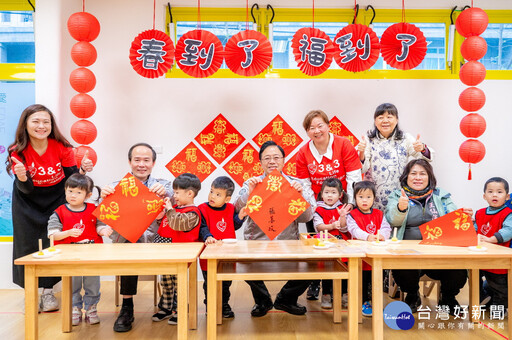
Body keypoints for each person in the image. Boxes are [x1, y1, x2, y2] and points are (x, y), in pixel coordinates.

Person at [6, 104, 93, 312]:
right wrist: (22, 176)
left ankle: (48, 292)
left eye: (46, 122)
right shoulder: (17, 151)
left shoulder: (62, 147)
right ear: (25, 124)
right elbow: (26, 189)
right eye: (35, 121)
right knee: (26, 245)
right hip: (27, 200)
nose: (41, 126)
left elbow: (71, 179)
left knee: (52, 242)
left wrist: (82, 170)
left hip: (55, 199)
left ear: (51, 125)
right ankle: (30, 293)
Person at [234, 140, 316, 317]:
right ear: (261, 162)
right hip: (256, 241)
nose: (272, 161)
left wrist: (300, 197)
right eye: (267, 158)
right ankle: (262, 301)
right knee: (244, 265)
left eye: (276, 157)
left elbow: (307, 217)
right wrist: (251, 192)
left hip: (288, 241)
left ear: (284, 160)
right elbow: (237, 207)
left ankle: (286, 299)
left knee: (314, 267)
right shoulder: (252, 182)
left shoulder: (296, 183)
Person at [100, 143, 172, 332]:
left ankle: (172, 302)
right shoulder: (116, 187)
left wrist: (167, 196)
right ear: (130, 162)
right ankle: (127, 307)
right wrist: (103, 196)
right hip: (127, 243)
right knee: (130, 245)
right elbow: (103, 214)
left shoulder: (162, 185)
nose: (142, 164)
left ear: (153, 163)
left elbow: (178, 201)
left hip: (156, 243)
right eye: (137, 160)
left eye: (146, 160)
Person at [385, 159, 472, 314]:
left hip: (439, 254)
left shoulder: (441, 195)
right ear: (406, 177)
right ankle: (412, 295)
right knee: (402, 267)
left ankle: (448, 298)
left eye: (422, 174)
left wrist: (463, 216)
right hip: (408, 254)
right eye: (413, 173)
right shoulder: (397, 195)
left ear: (429, 177)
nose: (418, 177)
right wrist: (401, 208)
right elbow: (392, 220)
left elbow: (453, 217)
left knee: (459, 268)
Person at [295, 109, 362, 300]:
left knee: (344, 246)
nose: (316, 131)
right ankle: (315, 284)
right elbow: (304, 184)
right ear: (307, 132)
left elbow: (354, 176)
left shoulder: (344, 144)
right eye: (311, 128)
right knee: (315, 246)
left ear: (328, 125)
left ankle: (345, 287)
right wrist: (315, 208)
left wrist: (348, 205)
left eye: (319, 125)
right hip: (318, 205)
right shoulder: (303, 153)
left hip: (343, 204)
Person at [47, 174, 113, 326]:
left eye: (78, 192)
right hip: (70, 256)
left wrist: (103, 230)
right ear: (65, 191)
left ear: (88, 195)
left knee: (92, 283)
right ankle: (74, 308)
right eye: (70, 191)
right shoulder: (59, 212)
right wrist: (67, 233)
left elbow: (99, 225)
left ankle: (91, 308)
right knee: (72, 283)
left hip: (92, 254)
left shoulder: (93, 209)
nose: (73, 195)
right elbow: (52, 234)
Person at [151, 173, 211, 325]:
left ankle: (181, 310)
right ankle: (165, 308)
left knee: (179, 284)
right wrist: (160, 216)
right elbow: (165, 225)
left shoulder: (193, 212)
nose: (174, 195)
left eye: (177, 192)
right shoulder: (175, 208)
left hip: (181, 255)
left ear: (190, 193)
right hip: (166, 253)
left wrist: (170, 210)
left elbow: (178, 224)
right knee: (165, 282)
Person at [357, 103, 434, 211]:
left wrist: (422, 148)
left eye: (389, 117)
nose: (385, 121)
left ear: (396, 120)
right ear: (375, 121)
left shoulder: (405, 138)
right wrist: (361, 153)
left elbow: (426, 158)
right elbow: (362, 168)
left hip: (398, 191)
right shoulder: (368, 140)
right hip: (373, 194)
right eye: (380, 117)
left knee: (397, 218)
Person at [198, 176, 247, 319]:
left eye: (218, 194)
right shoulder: (202, 208)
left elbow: (234, 225)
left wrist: (241, 217)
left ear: (227, 199)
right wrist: (208, 236)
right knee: (209, 283)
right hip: (209, 254)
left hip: (227, 253)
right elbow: (202, 227)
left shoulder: (231, 208)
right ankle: (210, 305)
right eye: (211, 192)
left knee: (226, 282)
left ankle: (224, 304)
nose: (212, 196)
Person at [346, 180, 391, 317]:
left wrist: (382, 235)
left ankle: (376, 302)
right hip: (360, 256)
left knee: (377, 280)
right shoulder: (352, 215)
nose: (364, 200)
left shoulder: (379, 214)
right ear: (355, 198)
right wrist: (367, 236)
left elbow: (386, 228)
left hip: (376, 255)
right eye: (360, 197)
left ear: (374, 198)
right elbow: (354, 230)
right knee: (363, 281)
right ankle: (363, 302)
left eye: (368, 197)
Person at [312, 177, 351, 309]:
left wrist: (342, 216)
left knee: (345, 269)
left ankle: (344, 295)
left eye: (333, 192)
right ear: (321, 194)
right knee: (327, 270)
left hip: (342, 246)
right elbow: (319, 227)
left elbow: (345, 228)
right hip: (326, 245)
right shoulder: (318, 209)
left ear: (340, 195)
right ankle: (326, 295)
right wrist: (333, 225)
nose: (330, 195)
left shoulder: (343, 208)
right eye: (327, 192)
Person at [475, 177, 512, 310]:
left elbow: (509, 230)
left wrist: (491, 239)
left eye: (499, 192)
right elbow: (474, 230)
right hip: (479, 256)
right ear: (485, 196)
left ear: (507, 197)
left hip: (498, 258)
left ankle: (500, 307)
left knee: (499, 285)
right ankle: (480, 297)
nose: (494, 194)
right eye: (490, 192)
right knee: (473, 275)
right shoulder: (479, 213)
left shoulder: (508, 213)